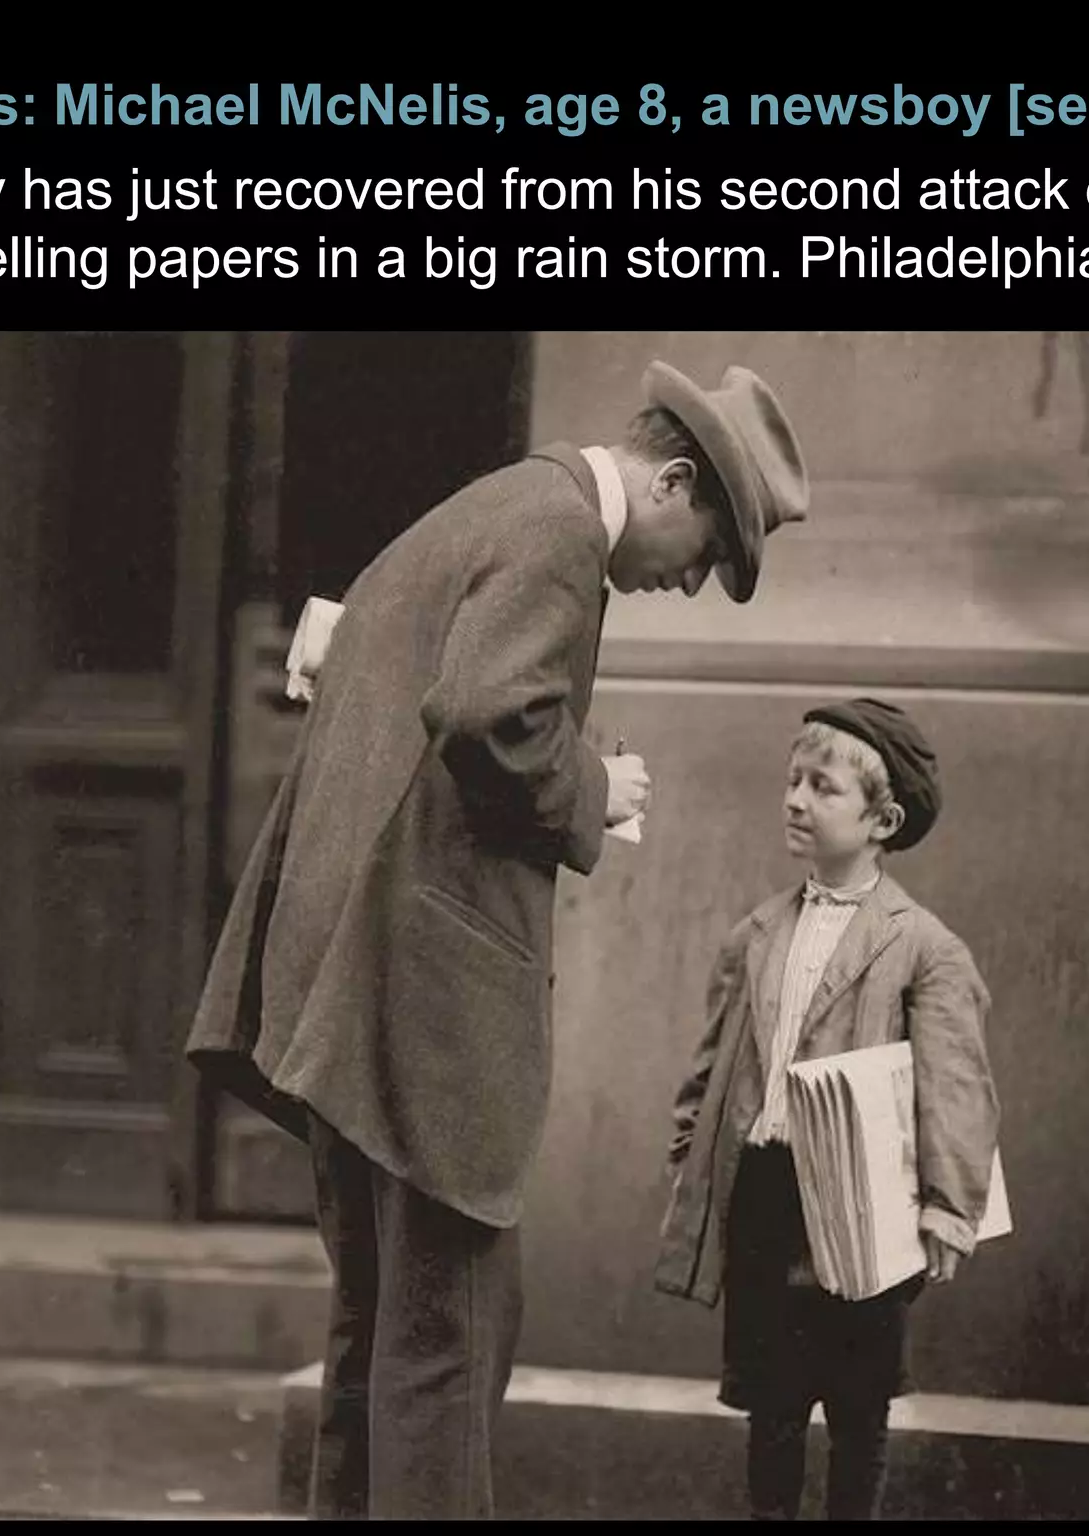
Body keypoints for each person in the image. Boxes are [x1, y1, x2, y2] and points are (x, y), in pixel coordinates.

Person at [185, 360, 810, 1521]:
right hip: (425, 1018)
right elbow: (489, 711)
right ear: (674, 482)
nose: (690, 585)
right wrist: (593, 787)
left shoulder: (490, 505)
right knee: (450, 1350)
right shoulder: (561, 535)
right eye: (709, 553)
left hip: (339, 994)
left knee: (380, 1337)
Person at [654, 698, 1002, 1521]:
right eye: (791, 781)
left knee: (858, 1405)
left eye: (823, 787)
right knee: (772, 1404)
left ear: (884, 820)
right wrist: (689, 1165)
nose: (796, 800)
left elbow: (956, 1085)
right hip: (767, 1195)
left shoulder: (921, 947)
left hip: (863, 1204)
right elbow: (712, 1068)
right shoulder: (757, 934)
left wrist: (949, 1208)